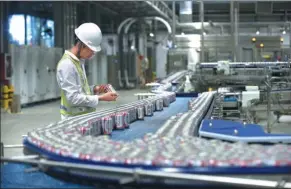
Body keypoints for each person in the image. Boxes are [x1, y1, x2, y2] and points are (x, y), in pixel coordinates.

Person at [56, 23, 118, 120]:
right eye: (91, 50)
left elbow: (79, 89)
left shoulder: (79, 62)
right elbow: (73, 98)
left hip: (82, 117)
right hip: (73, 120)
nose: (93, 54)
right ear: (81, 45)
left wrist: (95, 89)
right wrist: (101, 98)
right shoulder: (67, 65)